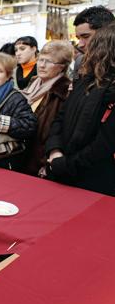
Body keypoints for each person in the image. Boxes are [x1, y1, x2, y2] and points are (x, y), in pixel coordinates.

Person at [45, 23, 115, 196]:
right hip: (64, 171)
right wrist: (55, 150)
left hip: (93, 183)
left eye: (87, 39)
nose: (81, 46)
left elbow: (104, 145)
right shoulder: (83, 81)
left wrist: (63, 163)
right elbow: (60, 118)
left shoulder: (106, 89)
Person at [19, 41, 73, 177]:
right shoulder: (33, 83)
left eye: (49, 62)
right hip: (21, 154)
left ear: (61, 67)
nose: (42, 65)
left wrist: (46, 163)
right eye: (41, 60)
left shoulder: (65, 91)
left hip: (39, 161)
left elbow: (60, 131)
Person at [71, 5, 114, 79]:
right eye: (78, 38)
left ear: (106, 33)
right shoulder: (81, 64)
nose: (80, 45)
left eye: (86, 37)